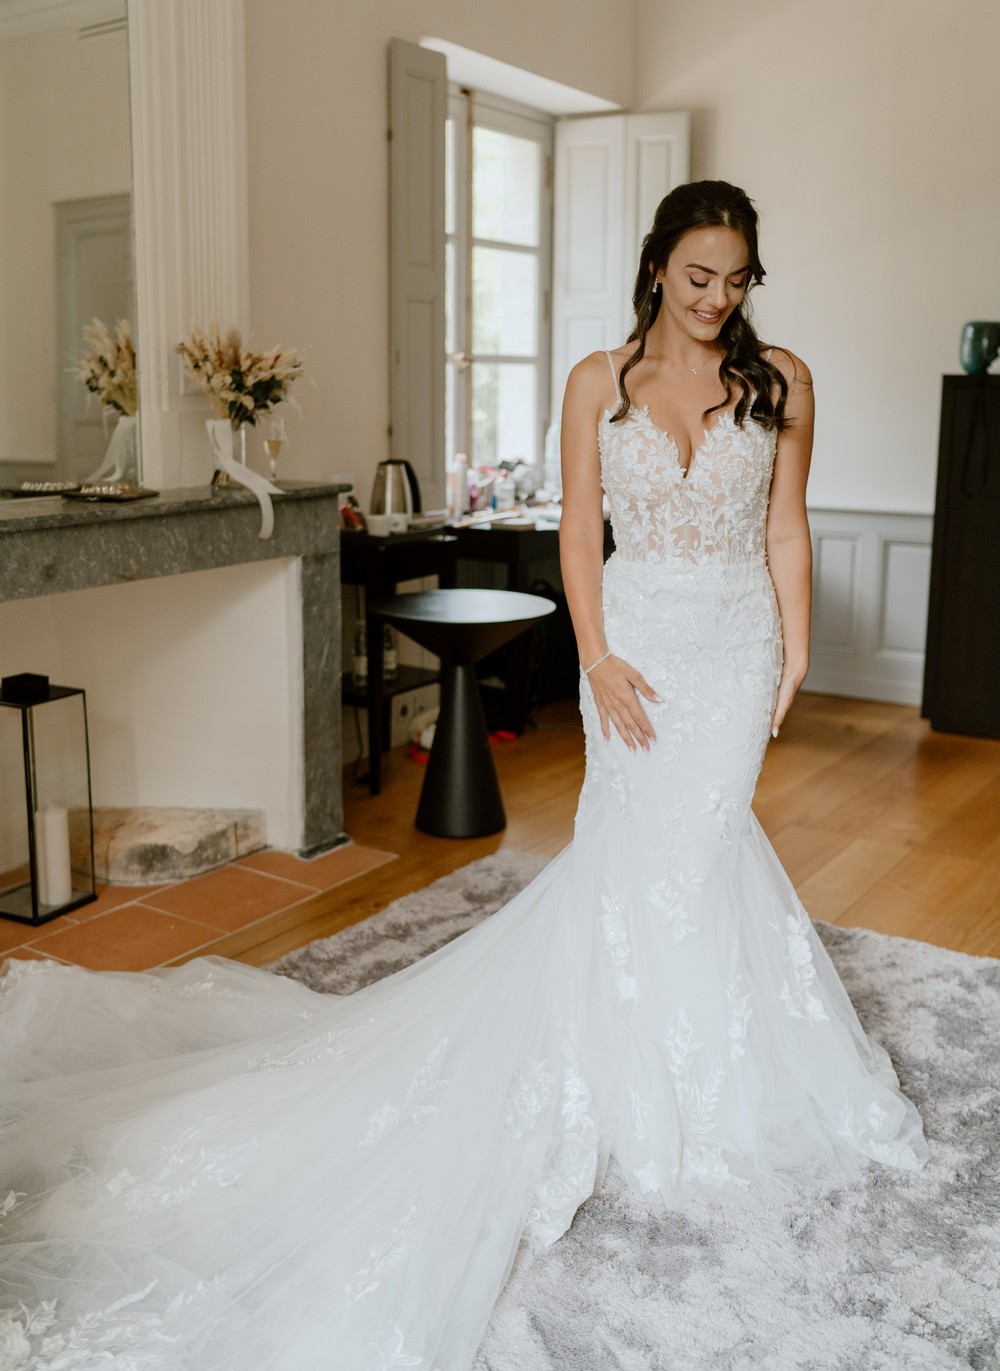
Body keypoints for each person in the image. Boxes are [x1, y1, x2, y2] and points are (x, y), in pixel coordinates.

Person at [0, 181, 928, 1371]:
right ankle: (627, 1069)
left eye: (738, 278)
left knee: (697, 847)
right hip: (634, 648)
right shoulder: (599, 379)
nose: (718, 299)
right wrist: (593, 656)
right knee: (637, 854)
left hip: (736, 645)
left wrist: (796, 645)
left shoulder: (782, 378)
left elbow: (786, 527)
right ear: (656, 269)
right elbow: (581, 532)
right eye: (699, 276)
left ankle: (697, 1075)